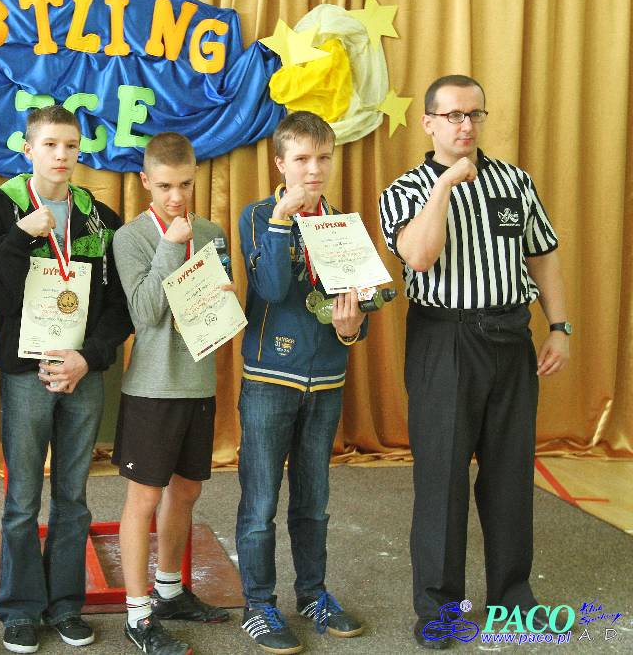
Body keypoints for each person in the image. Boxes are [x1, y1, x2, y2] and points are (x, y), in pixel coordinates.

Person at [378, 74, 570, 649]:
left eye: (474, 114)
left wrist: (559, 326)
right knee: (442, 478)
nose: (466, 125)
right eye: (454, 115)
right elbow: (419, 255)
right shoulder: (405, 190)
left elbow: (543, 255)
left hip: (510, 335)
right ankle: (440, 608)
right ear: (429, 123)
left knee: (510, 475)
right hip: (445, 338)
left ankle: (513, 597)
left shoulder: (515, 181)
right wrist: (446, 185)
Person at [0, 104, 131, 654]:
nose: (61, 155)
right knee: (22, 498)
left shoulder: (99, 216)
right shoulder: (2, 207)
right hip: (25, 372)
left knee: (73, 496)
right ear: (28, 149)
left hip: (81, 371)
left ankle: (65, 604)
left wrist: (87, 357)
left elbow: (118, 307)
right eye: (49, 145)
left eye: (70, 145)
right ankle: (19, 609)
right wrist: (20, 236)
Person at [236, 111, 367, 654]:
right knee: (260, 501)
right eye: (302, 159)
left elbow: (359, 309)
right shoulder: (257, 215)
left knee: (314, 501)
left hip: (327, 379)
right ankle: (258, 604)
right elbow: (269, 289)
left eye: (324, 158)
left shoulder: (342, 223)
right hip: (270, 379)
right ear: (280, 163)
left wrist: (352, 327)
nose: (314, 169)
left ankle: (312, 594)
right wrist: (281, 221)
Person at [111, 132, 233, 655]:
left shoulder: (212, 232)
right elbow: (145, 313)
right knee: (144, 498)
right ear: (145, 182)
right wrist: (170, 245)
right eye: (164, 186)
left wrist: (221, 299)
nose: (177, 196)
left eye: (185, 184)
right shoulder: (131, 238)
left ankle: (169, 591)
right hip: (153, 388)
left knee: (186, 492)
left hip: (198, 381)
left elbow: (217, 309)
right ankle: (137, 615)